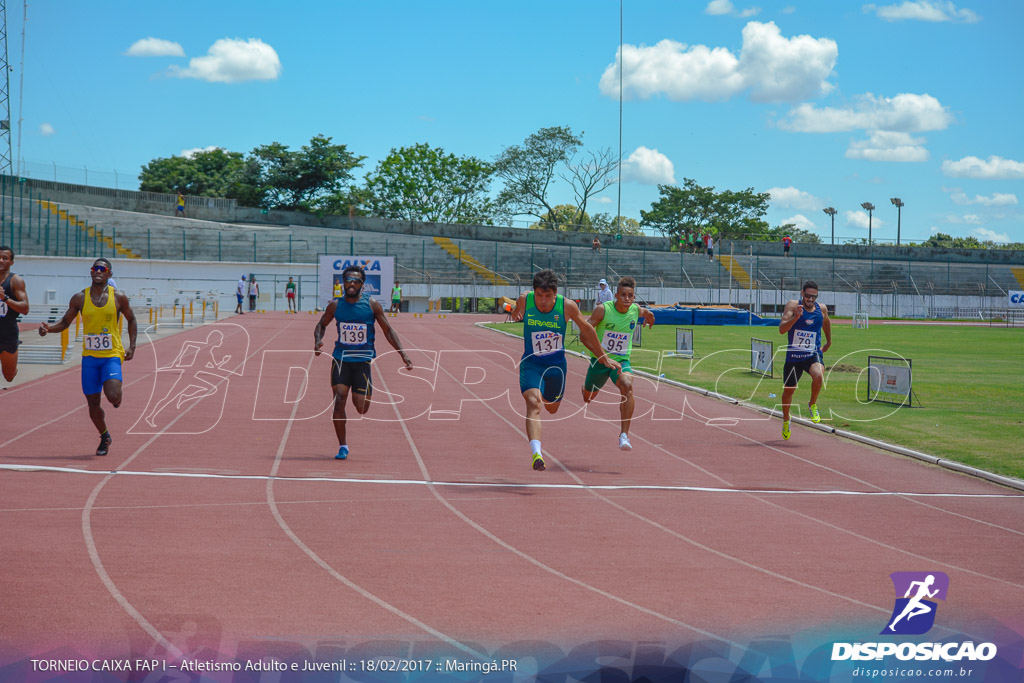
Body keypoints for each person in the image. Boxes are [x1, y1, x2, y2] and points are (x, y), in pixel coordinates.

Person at [511, 269, 620, 471]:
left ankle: (545, 393)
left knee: (552, 408)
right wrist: (516, 311)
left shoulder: (566, 306)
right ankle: (537, 454)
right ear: (534, 293)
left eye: (548, 296)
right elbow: (519, 302)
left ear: (555, 294)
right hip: (532, 364)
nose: (543, 301)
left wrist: (603, 357)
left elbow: (587, 330)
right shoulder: (526, 300)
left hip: (556, 368)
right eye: (539, 296)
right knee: (534, 402)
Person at [38, 258, 137, 456]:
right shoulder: (80, 298)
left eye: (103, 269)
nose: (98, 271)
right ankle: (104, 436)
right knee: (93, 406)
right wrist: (49, 329)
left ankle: (116, 396)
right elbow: (65, 322)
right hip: (90, 358)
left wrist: (132, 346)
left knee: (112, 396)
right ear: (91, 272)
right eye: (95, 268)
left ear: (109, 274)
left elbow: (131, 319)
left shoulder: (119, 297)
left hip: (111, 355)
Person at [314, 264, 413, 460]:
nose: (351, 284)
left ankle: (362, 391)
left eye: (356, 281)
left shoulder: (372, 305)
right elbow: (321, 324)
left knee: (361, 407)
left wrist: (403, 354)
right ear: (343, 282)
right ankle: (343, 446)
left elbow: (388, 331)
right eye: (348, 280)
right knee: (339, 400)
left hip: (363, 362)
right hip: (341, 359)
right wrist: (317, 341)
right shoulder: (335, 306)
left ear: (362, 284)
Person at [581, 276, 655, 451]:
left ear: (634, 297)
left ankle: (624, 436)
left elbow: (646, 313)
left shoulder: (635, 310)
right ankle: (585, 388)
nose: (627, 299)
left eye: (630, 296)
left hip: (621, 361)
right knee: (587, 398)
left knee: (627, 385)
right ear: (616, 295)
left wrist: (650, 317)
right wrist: (602, 356)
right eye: (623, 295)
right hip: (599, 360)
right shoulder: (602, 310)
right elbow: (584, 335)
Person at [778, 280, 832, 440]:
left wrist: (829, 341)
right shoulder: (793, 306)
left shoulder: (821, 309)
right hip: (794, 357)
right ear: (802, 294)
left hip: (812, 353)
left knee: (818, 375)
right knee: (789, 391)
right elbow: (782, 329)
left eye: (814, 297)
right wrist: (796, 317)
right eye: (808, 296)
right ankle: (786, 419)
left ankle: (812, 404)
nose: (810, 300)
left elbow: (826, 322)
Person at [0, 246, 29, 383]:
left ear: (11, 262)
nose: (1, 261)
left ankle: (13, 368)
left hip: (7, 335)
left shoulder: (15, 281)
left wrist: (5, 298)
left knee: (9, 376)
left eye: (5, 258)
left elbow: (25, 308)